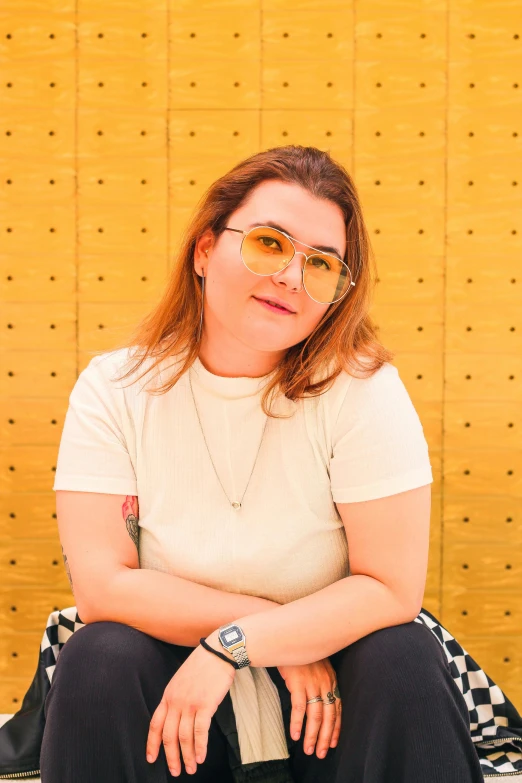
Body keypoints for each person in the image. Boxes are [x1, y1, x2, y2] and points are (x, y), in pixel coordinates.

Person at [40, 145, 484, 783]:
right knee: (98, 656)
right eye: (269, 244)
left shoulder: (362, 388)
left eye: (322, 264)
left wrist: (239, 645)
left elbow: (391, 589)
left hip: (329, 697)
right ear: (203, 250)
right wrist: (254, 634)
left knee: (403, 657)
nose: (292, 279)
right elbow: (103, 586)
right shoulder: (116, 387)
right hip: (177, 697)